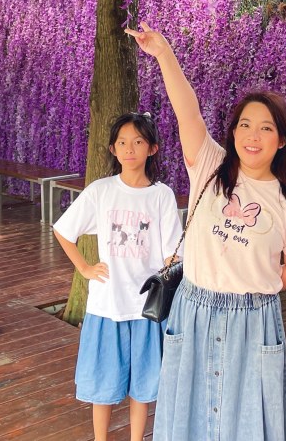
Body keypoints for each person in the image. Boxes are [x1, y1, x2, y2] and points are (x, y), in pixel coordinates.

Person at [126, 22, 286, 441]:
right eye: (245, 125)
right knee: (189, 421)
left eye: (266, 128)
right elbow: (187, 111)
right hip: (194, 308)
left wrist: (251, 283)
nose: (253, 135)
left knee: (247, 422)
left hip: (254, 317)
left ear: (281, 139)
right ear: (232, 133)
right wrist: (163, 53)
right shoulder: (210, 166)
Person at [53, 113, 183, 441]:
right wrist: (84, 268)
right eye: (122, 142)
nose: (130, 149)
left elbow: (172, 253)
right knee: (103, 383)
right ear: (113, 148)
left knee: (143, 384)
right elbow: (63, 230)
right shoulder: (101, 191)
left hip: (146, 307)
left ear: (152, 148)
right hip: (107, 304)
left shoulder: (161, 195)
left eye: (138, 141)